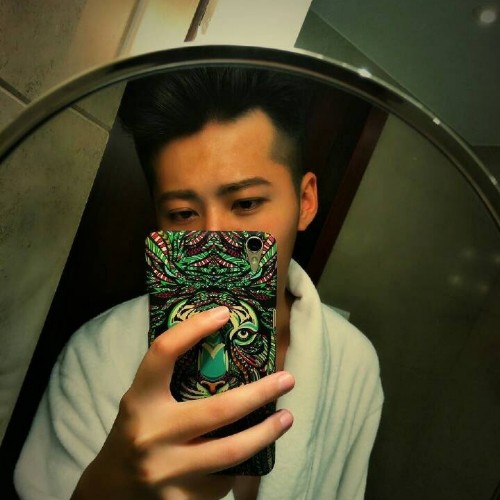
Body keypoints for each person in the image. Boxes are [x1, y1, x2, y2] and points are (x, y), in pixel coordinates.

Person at [14, 67, 383, 500]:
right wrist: (108, 486)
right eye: (183, 214)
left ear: (305, 202)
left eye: (246, 203)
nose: (214, 242)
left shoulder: (353, 362)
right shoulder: (96, 354)